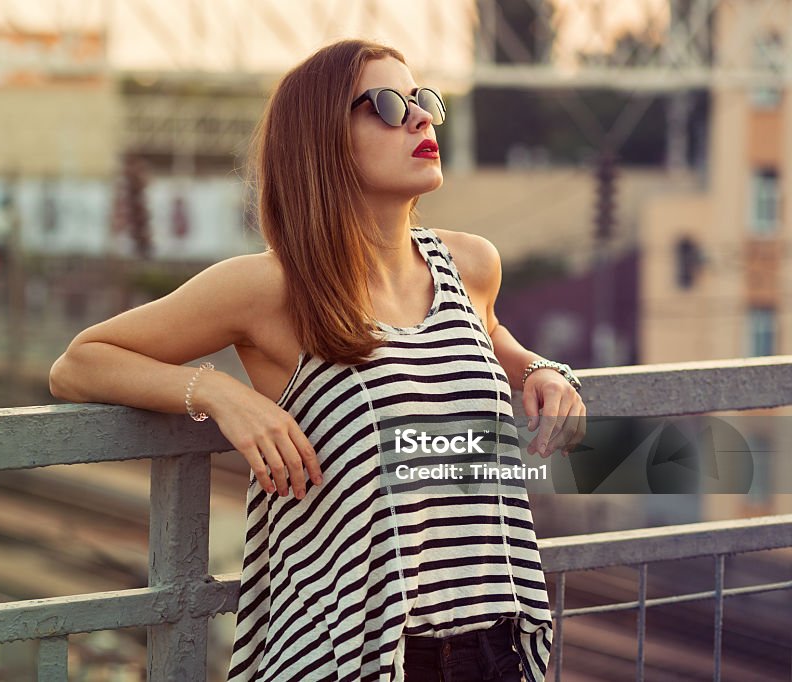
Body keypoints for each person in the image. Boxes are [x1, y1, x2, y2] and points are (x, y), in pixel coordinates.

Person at [49, 38, 586, 682]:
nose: (420, 118)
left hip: (492, 645)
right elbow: (80, 362)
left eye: (424, 101)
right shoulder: (270, 288)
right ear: (322, 140)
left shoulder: (470, 263)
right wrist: (221, 395)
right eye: (387, 105)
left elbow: (487, 334)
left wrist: (537, 368)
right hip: (354, 653)